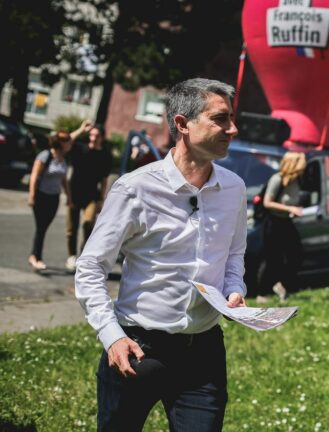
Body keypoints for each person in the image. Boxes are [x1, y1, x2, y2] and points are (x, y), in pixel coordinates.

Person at [75, 78, 246, 431]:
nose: (233, 128)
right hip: (139, 348)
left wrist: (234, 287)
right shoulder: (135, 189)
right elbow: (91, 266)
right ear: (183, 124)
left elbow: (234, 253)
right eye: (220, 119)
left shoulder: (234, 188)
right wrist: (112, 336)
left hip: (204, 352)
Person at [65, 120, 112, 272]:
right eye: (91, 135)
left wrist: (101, 200)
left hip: (92, 196)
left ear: (102, 138)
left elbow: (104, 180)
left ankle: (83, 255)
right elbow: (66, 141)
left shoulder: (105, 155)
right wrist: (80, 129)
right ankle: (72, 256)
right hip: (74, 195)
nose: (93, 138)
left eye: (96, 135)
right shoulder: (80, 149)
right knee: (71, 228)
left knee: (87, 224)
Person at [262, 151, 306, 302]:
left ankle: (282, 285)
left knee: (297, 254)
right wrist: (290, 209)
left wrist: (295, 209)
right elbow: (267, 203)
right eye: (300, 165)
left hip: (286, 221)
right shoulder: (277, 179)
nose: (303, 168)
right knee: (273, 259)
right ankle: (262, 293)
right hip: (273, 222)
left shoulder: (296, 181)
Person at [27, 131, 73, 271]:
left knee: (43, 228)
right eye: (68, 141)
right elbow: (34, 176)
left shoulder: (63, 159)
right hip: (41, 196)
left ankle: (34, 256)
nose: (70, 144)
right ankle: (36, 257)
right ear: (61, 143)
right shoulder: (45, 156)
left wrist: (69, 197)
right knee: (41, 228)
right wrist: (32, 196)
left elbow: (64, 180)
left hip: (54, 198)